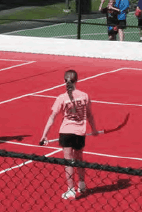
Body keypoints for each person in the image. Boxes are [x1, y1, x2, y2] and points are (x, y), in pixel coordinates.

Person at [39, 70, 103, 200]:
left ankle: (71, 190)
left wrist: (44, 135)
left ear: (64, 81)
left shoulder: (61, 98)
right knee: (79, 159)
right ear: (77, 80)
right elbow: (90, 115)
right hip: (80, 133)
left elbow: (52, 117)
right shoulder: (84, 95)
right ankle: (82, 184)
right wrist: (94, 129)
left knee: (68, 162)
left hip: (66, 133)